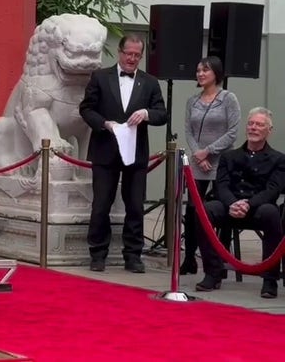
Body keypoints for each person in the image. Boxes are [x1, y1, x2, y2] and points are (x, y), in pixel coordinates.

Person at [79, 34, 167, 273]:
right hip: (105, 150)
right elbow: (86, 108)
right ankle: (97, 254)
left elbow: (162, 113)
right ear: (119, 52)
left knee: (136, 206)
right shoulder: (100, 77)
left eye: (137, 55)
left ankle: (133, 255)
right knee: (101, 205)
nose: (132, 58)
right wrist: (104, 123)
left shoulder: (149, 82)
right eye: (128, 53)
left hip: (136, 154)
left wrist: (147, 113)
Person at [194, 107, 285, 298]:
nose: (253, 128)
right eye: (251, 123)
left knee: (272, 213)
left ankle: (270, 280)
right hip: (229, 205)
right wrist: (233, 204)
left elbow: (272, 190)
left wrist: (248, 204)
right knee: (205, 210)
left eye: (259, 124)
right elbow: (222, 185)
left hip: (258, 208)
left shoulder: (278, 159)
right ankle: (213, 272)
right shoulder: (229, 156)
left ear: (269, 130)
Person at [180, 56, 240, 274]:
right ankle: (189, 258)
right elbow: (189, 130)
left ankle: (220, 258)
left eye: (205, 70)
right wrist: (198, 153)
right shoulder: (192, 101)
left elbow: (232, 132)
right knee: (193, 209)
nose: (200, 74)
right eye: (198, 70)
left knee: (220, 210)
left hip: (221, 163)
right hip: (198, 163)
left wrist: (209, 151)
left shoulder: (228, 98)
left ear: (216, 73)